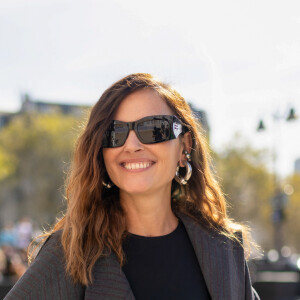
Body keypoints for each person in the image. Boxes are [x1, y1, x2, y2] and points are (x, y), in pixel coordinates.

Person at [5, 73, 259, 300]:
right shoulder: (70, 252)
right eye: (115, 133)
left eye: (154, 129)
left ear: (185, 146)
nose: (131, 145)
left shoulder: (224, 248)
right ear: (101, 152)